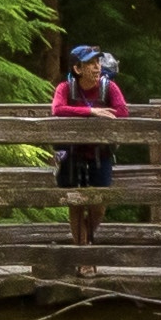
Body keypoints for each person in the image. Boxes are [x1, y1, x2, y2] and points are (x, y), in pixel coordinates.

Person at [50, 45, 129, 244]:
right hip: (72, 154)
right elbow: (57, 109)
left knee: (99, 204)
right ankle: (84, 255)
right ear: (77, 69)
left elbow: (122, 112)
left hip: (100, 154)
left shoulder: (109, 87)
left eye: (98, 62)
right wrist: (91, 112)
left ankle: (84, 241)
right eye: (91, 63)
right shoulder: (65, 88)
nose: (97, 67)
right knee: (76, 204)